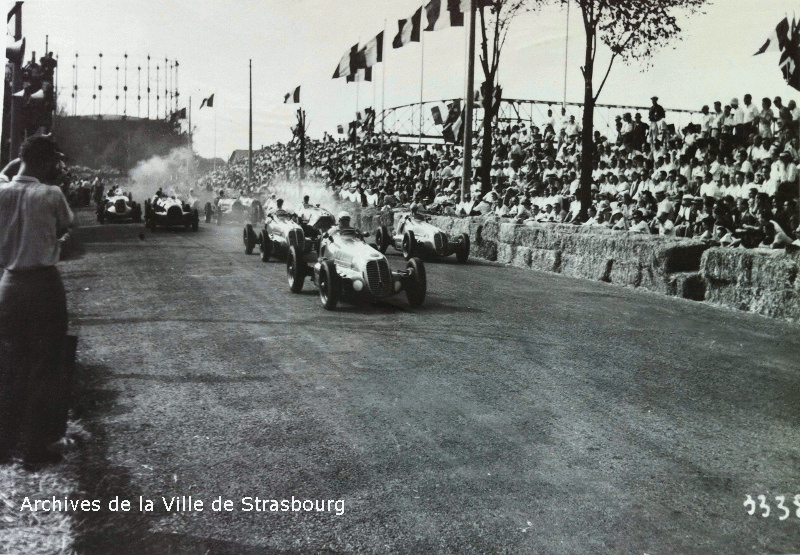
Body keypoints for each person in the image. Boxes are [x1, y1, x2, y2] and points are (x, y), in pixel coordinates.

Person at [0, 135, 73, 467]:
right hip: (43, 283)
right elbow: (65, 226)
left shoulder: (1, 191)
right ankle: (35, 448)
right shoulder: (51, 193)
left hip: (9, 283)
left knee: (11, 363)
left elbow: (7, 177)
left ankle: (5, 444)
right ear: (45, 163)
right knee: (45, 363)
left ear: (20, 159)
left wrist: (14, 168)